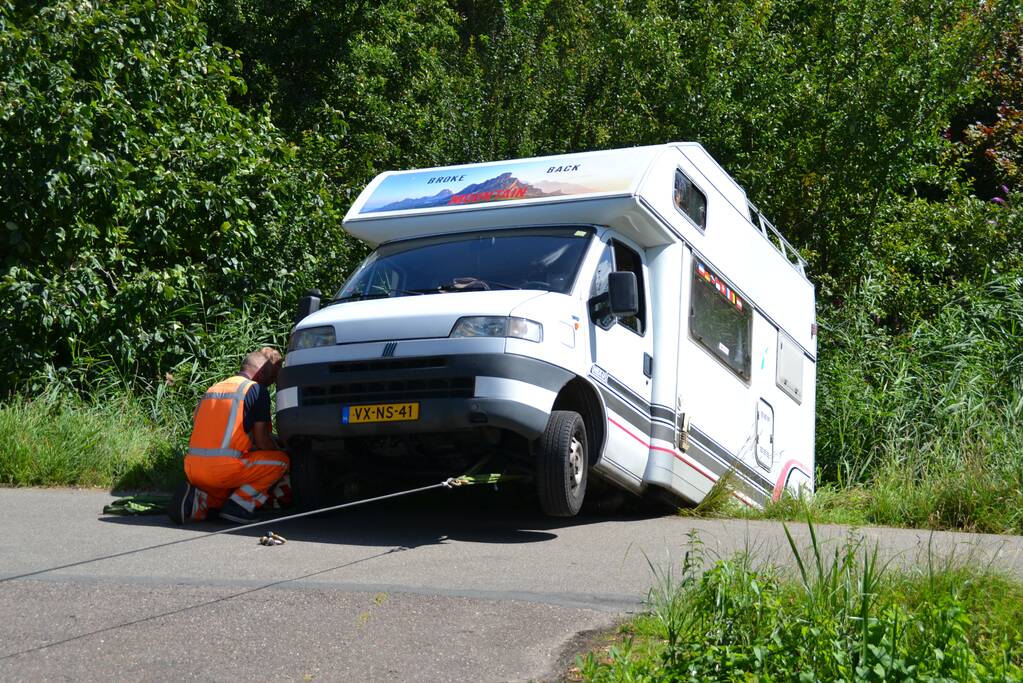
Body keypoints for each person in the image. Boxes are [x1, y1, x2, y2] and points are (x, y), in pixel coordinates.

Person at [168, 347, 289, 524]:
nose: (269, 384)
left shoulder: (213, 389)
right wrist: (279, 448)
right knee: (281, 461)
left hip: (193, 469)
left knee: (221, 498)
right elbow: (263, 441)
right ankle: (240, 507)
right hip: (223, 469)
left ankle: (195, 501)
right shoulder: (256, 390)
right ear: (262, 374)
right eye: (271, 379)